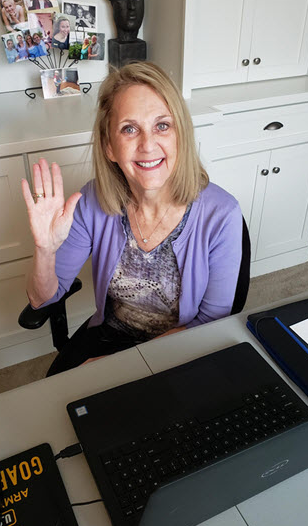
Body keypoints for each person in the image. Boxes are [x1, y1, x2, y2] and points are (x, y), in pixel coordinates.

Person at [21, 62, 243, 376]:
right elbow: (42, 300)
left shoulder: (222, 215)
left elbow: (209, 324)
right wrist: (44, 250)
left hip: (183, 349)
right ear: (109, 146)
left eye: (162, 125)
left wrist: (120, 368)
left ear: (181, 133)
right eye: (129, 128)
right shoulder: (92, 203)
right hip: (110, 336)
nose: (148, 145)